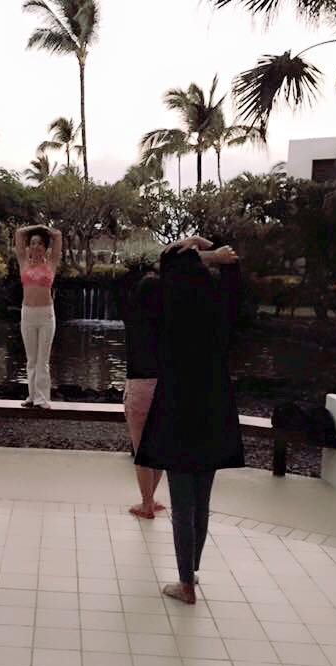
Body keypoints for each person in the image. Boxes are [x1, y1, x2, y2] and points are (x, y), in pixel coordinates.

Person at [135, 237, 242, 605]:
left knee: (182, 504)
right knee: (201, 500)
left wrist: (197, 249)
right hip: (214, 406)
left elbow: (168, 261)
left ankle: (185, 585)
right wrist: (216, 254)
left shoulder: (170, 308)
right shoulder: (221, 309)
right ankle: (191, 571)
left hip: (178, 407)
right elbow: (231, 269)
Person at [123, 271, 167, 520]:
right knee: (159, 448)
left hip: (139, 386)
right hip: (163, 387)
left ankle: (146, 504)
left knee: (141, 451)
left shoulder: (132, 320)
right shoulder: (168, 324)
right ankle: (150, 499)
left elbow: (121, 284)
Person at [14, 224, 62, 409]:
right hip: (28, 313)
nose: (36, 247)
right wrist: (37, 227)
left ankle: (42, 399)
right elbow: (19, 233)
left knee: (43, 360)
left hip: (46, 315)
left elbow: (58, 235)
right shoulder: (24, 262)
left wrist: (46, 230)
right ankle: (31, 396)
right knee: (31, 360)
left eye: (40, 243)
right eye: (33, 243)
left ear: (45, 247)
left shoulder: (51, 263)